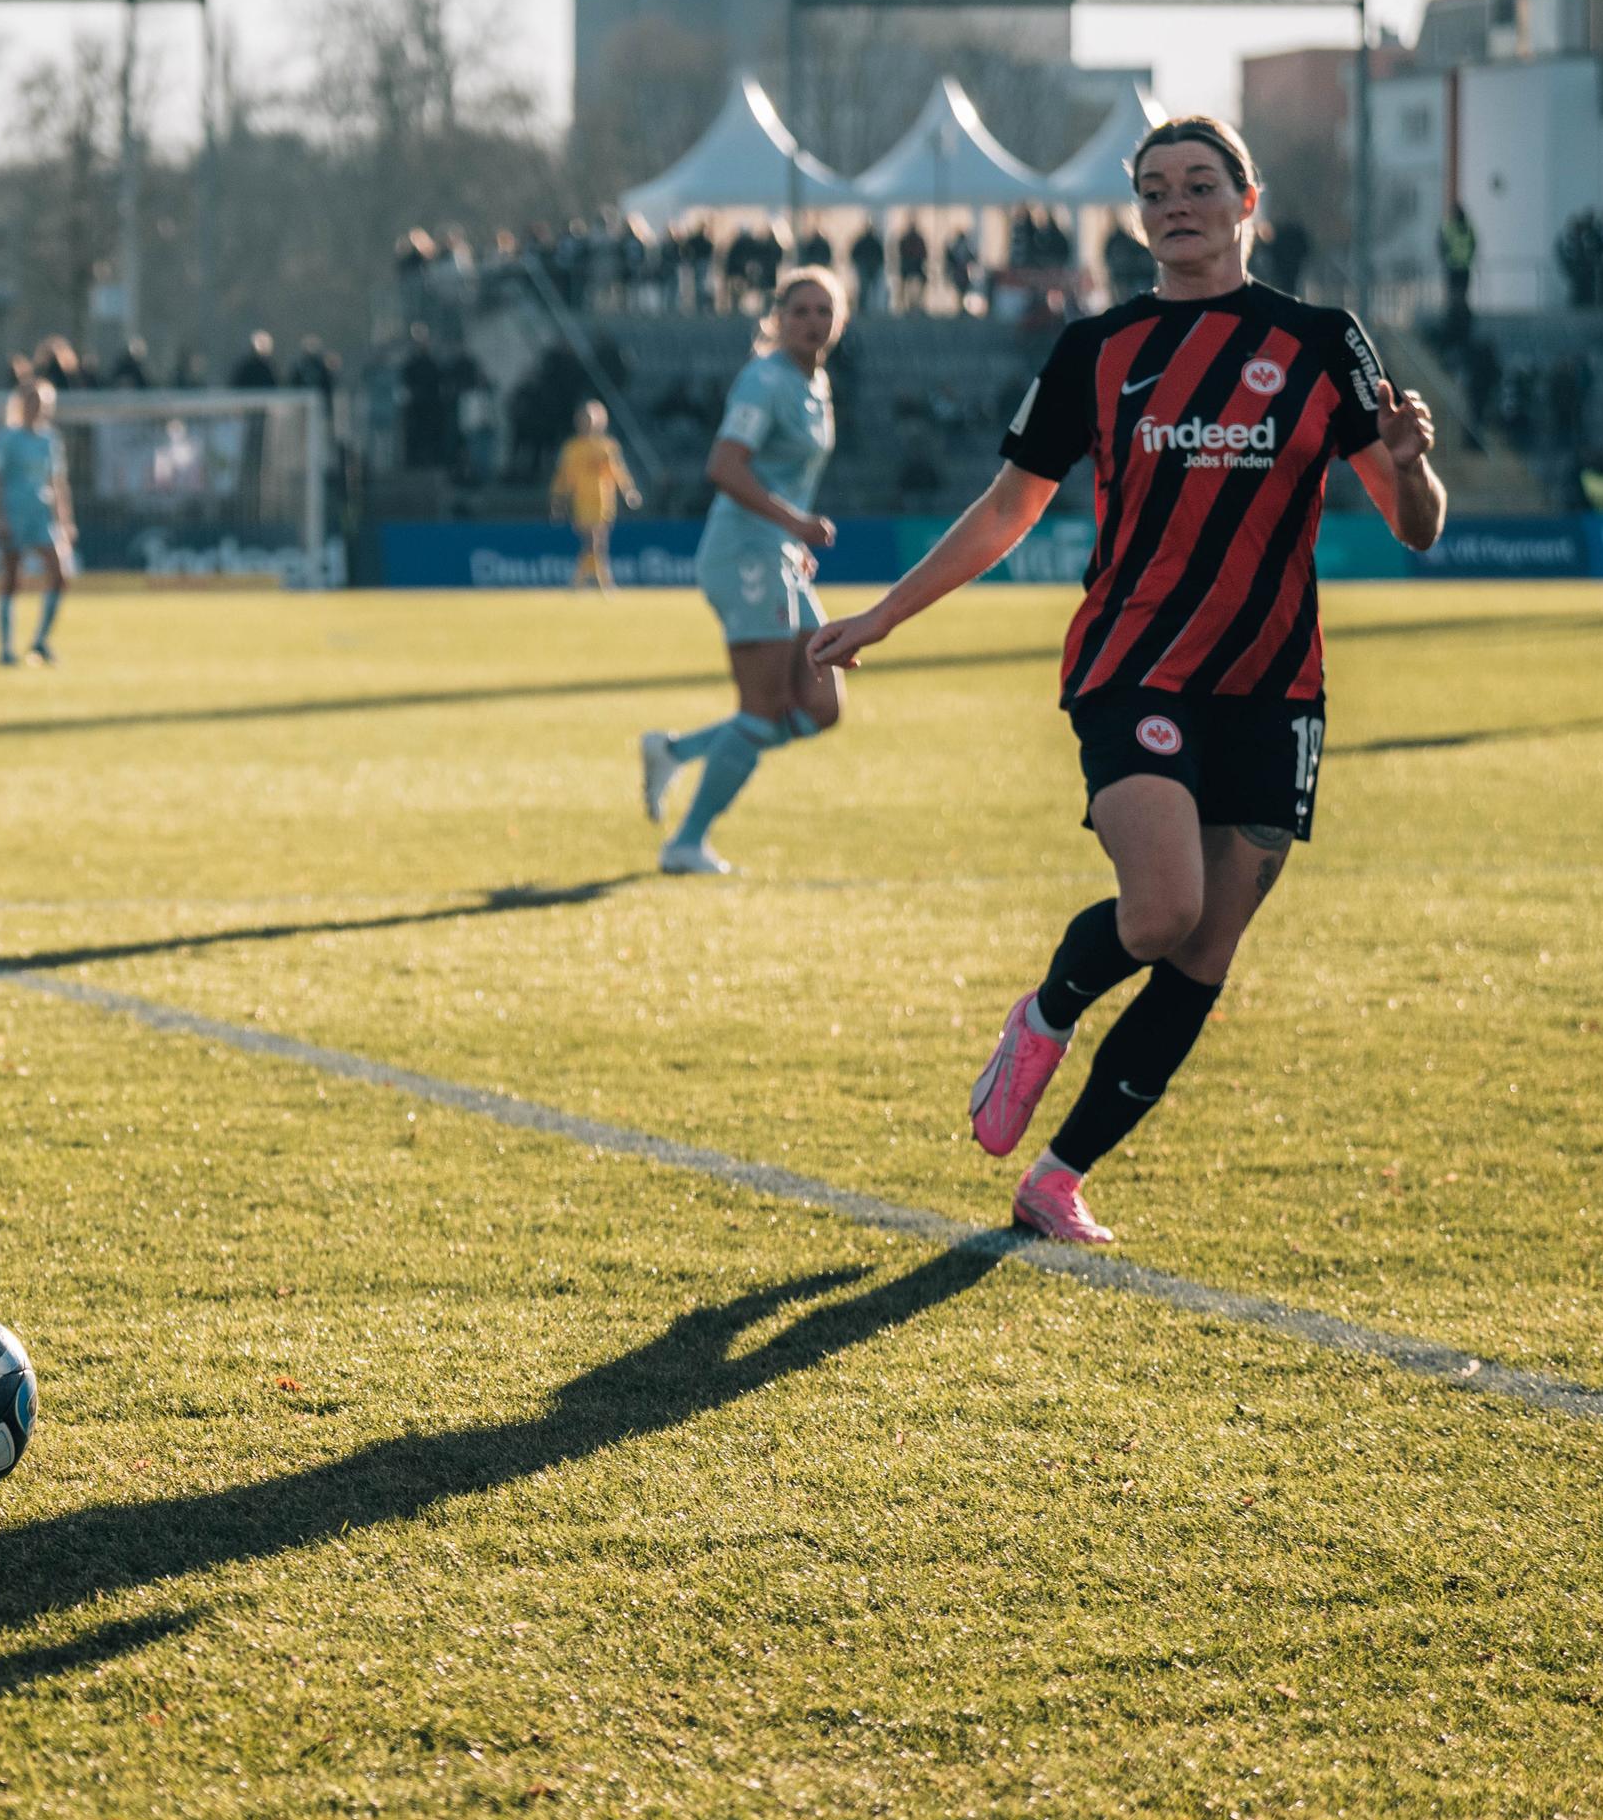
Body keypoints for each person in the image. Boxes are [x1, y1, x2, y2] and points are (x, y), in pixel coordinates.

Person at [806, 116, 1444, 1246]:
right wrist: (884, 614)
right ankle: (1047, 1011)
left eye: (1202, 184)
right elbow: (1008, 509)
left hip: (1276, 686)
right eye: (1155, 189)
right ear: (1137, 212)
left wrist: (1411, 464)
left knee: (1204, 953)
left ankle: (1057, 1177)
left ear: (1249, 201)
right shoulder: (1098, 350)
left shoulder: (1317, 340)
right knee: (1162, 910)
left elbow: (1414, 527)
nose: (1177, 204)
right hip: (1134, 664)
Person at [639, 267, 847, 872]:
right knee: (764, 708)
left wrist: (792, 533)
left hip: (777, 552)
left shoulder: (817, 382)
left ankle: (675, 751)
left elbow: (788, 475)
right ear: (778, 319)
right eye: (801, 311)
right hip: (744, 554)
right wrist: (794, 523)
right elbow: (725, 467)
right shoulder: (763, 381)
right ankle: (685, 844)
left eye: (823, 311)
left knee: (820, 705)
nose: (812, 321)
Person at [0, 378, 76, 664]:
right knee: (12, 580)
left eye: (42, 403)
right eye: (32, 401)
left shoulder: (50, 439)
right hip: (15, 513)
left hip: (41, 514)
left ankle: (40, 641)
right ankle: (5, 649)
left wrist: (65, 520)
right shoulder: (7, 437)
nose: (37, 407)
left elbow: (58, 481)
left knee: (60, 575)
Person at [551, 397, 642, 594]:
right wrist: (558, 499)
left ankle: (582, 581)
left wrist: (628, 491)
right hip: (581, 501)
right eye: (584, 418)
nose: (588, 423)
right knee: (593, 541)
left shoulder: (607, 446)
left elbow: (618, 472)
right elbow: (564, 476)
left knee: (598, 542)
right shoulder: (572, 448)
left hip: (603, 501)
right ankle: (601, 582)